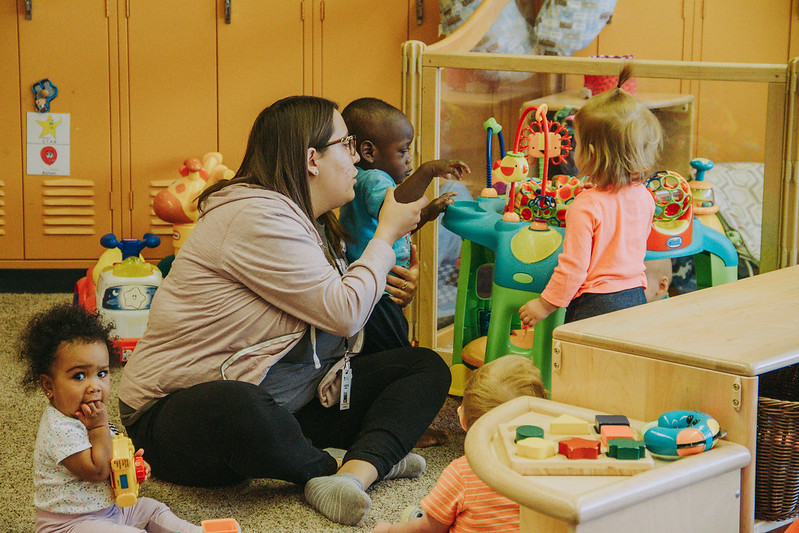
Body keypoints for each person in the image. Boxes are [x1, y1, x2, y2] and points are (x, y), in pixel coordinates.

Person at [117, 95, 452, 527]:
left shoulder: (308, 217)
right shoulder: (255, 215)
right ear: (312, 159)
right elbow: (344, 312)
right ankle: (335, 467)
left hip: (289, 397)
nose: (356, 159)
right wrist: (385, 236)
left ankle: (355, 473)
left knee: (424, 367)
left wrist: (385, 278)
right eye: (347, 145)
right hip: (175, 415)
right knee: (242, 407)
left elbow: (345, 306)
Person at [18, 303, 201, 533]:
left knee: (153, 509)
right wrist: (98, 427)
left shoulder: (95, 417)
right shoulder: (60, 428)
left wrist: (132, 467)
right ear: (49, 385)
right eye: (79, 375)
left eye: (102, 373)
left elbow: (111, 458)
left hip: (111, 511)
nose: (95, 385)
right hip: (70, 524)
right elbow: (97, 470)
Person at [519, 64, 663, 327]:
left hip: (596, 305)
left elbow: (573, 269)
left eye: (578, 143)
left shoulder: (585, 207)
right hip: (635, 297)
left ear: (592, 153)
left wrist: (544, 304)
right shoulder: (645, 197)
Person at [339, 97, 470, 354]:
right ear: (368, 152)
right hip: (379, 294)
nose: (409, 159)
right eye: (403, 151)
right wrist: (428, 170)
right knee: (395, 353)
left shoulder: (369, 179)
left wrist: (429, 211)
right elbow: (397, 207)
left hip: (380, 287)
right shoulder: (374, 179)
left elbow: (397, 225)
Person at [371, 355, 547, 533]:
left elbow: (429, 528)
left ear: (463, 422)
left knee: (419, 521)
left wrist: (389, 530)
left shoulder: (464, 472)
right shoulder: (550, 469)